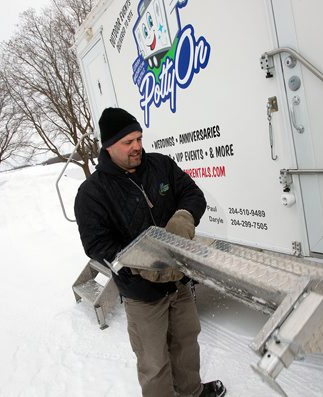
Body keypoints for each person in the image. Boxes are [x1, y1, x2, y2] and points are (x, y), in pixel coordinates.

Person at [74, 107, 226, 397]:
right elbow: (95, 244)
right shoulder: (92, 192)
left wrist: (183, 216)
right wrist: (139, 261)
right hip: (140, 291)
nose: (137, 147)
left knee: (186, 342)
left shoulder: (160, 166)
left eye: (139, 138)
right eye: (127, 142)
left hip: (178, 280)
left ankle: (192, 392)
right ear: (108, 146)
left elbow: (192, 194)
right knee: (153, 361)